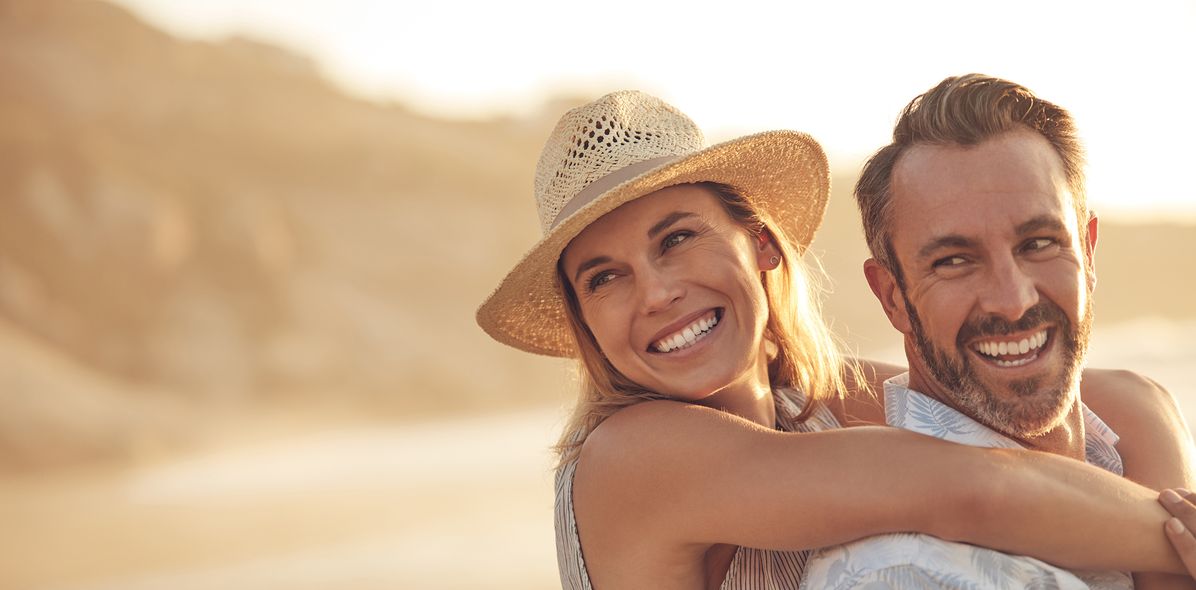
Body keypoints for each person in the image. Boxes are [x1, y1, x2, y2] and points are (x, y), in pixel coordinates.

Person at [476, 89, 1192, 589]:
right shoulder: (633, 457)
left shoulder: (814, 406)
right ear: (585, 320)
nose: (657, 292)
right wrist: (1177, 536)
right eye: (605, 278)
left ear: (759, 244)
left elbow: (1122, 398)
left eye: (678, 239)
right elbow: (975, 492)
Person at [801, 74, 1196, 589]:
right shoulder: (902, 574)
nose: (1013, 301)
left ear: (1089, 251)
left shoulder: (1126, 446)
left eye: (1038, 243)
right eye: (956, 261)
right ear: (892, 295)